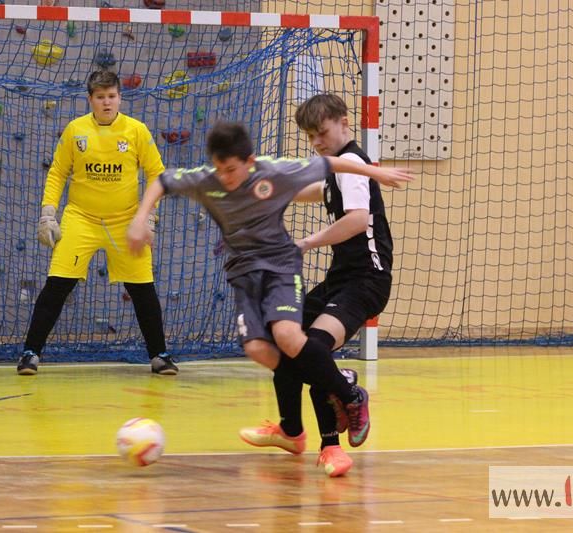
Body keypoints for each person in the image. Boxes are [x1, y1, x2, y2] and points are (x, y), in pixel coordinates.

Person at [127, 121, 412, 450]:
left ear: (249, 162)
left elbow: (331, 163)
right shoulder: (206, 180)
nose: (225, 178)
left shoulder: (273, 171)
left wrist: (377, 173)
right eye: (219, 169)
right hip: (243, 273)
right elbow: (162, 180)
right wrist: (140, 219)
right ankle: (310, 412)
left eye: (231, 170)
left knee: (289, 336)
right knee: (259, 349)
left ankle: (344, 401)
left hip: (281, 267)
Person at [238, 94, 394, 477]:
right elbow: (316, 191)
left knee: (313, 347)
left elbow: (357, 219)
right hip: (341, 278)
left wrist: (306, 243)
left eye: (322, 132)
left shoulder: (352, 162)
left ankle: (338, 422)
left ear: (344, 123)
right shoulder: (337, 169)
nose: (317, 142)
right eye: (310, 137)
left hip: (366, 281)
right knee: (283, 341)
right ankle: (291, 431)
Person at [17, 70, 177, 377]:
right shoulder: (75, 130)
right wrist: (48, 214)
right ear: (90, 99)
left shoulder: (136, 131)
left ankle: (160, 355)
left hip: (126, 221)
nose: (107, 102)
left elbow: (157, 173)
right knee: (57, 285)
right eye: (101, 97)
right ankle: (30, 353)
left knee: (143, 288)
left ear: (120, 98)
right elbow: (57, 173)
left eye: (112, 96)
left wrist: (148, 216)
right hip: (81, 219)